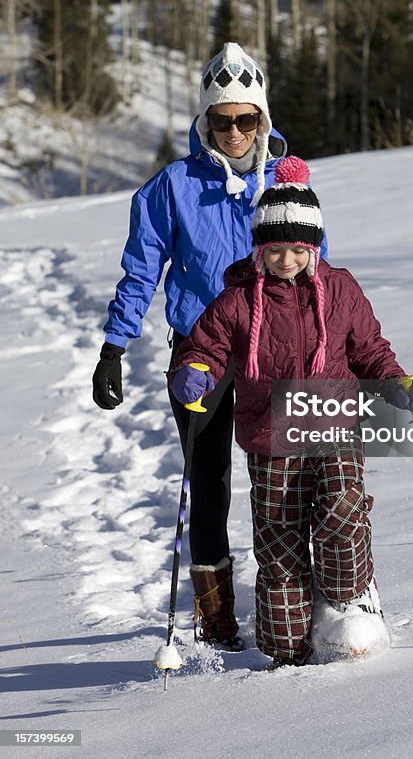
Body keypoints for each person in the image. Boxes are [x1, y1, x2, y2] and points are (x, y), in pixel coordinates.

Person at [92, 42, 325, 650]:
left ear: (263, 120)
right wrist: (115, 346)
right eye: (222, 121)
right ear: (205, 123)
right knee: (211, 479)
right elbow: (142, 271)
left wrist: (332, 346)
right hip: (202, 355)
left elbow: (316, 267)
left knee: (291, 479)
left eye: (247, 120)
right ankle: (217, 612)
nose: (235, 132)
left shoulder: (286, 183)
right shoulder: (172, 187)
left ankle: (298, 597)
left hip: (279, 354)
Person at [169, 156, 413, 667]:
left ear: (312, 249)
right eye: (274, 250)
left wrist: (396, 381)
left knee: (342, 507)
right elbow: (205, 346)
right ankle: (289, 644)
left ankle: (348, 594)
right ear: (259, 249)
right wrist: (195, 371)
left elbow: (369, 350)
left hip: (335, 426)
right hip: (270, 438)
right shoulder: (238, 301)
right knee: (280, 551)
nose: (286, 261)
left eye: (297, 249)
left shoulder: (340, 291)